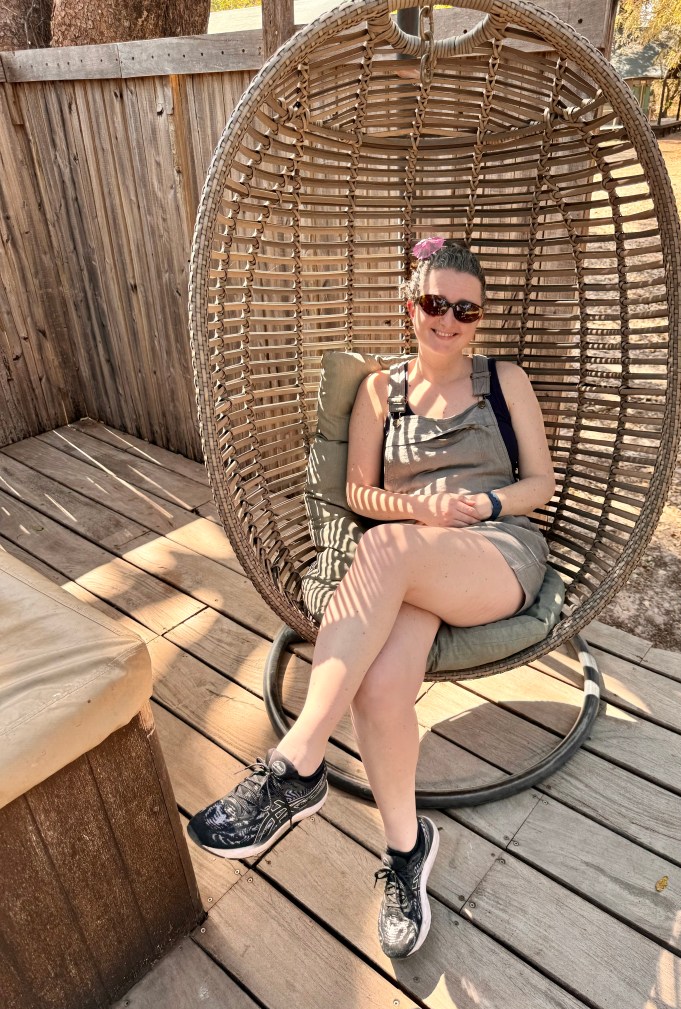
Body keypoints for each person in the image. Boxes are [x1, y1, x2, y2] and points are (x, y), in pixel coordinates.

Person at [188, 237, 556, 959]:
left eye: (464, 309)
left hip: (492, 552)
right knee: (381, 688)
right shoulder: (378, 391)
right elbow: (358, 491)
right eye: (433, 303)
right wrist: (415, 514)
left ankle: (295, 764)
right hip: (411, 558)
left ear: (479, 318)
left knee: (382, 550)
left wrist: (479, 505)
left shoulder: (502, 380)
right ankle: (406, 850)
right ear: (409, 304)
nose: (447, 320)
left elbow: (539, 485)